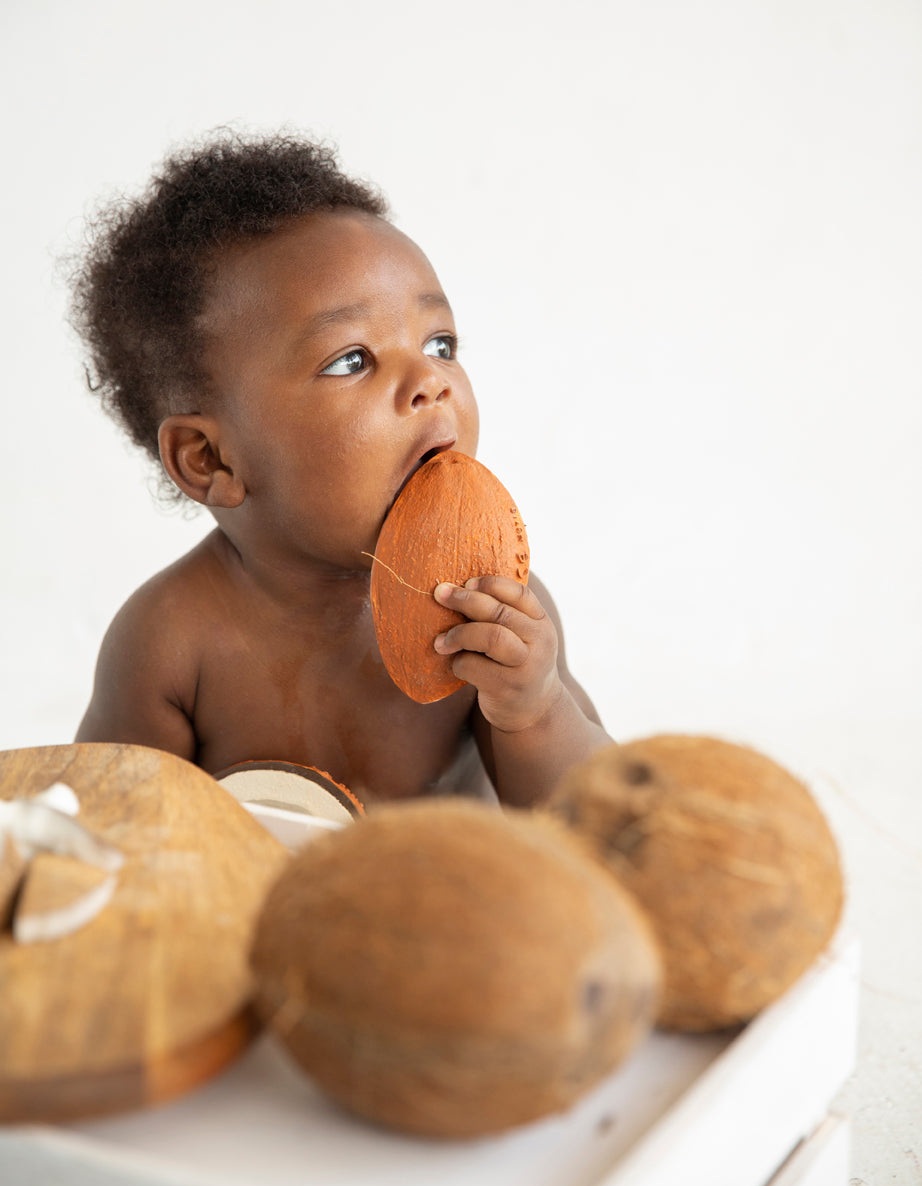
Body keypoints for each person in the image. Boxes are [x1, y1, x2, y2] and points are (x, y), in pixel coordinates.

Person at [71, 132, 611, 808]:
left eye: (440, 344)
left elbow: (595, 820)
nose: (431, 381)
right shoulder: (171, 643)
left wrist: (536, 709)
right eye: (351, 360)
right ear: (210, 459)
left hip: (449, 874)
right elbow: (98, 829)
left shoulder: (489, 611)